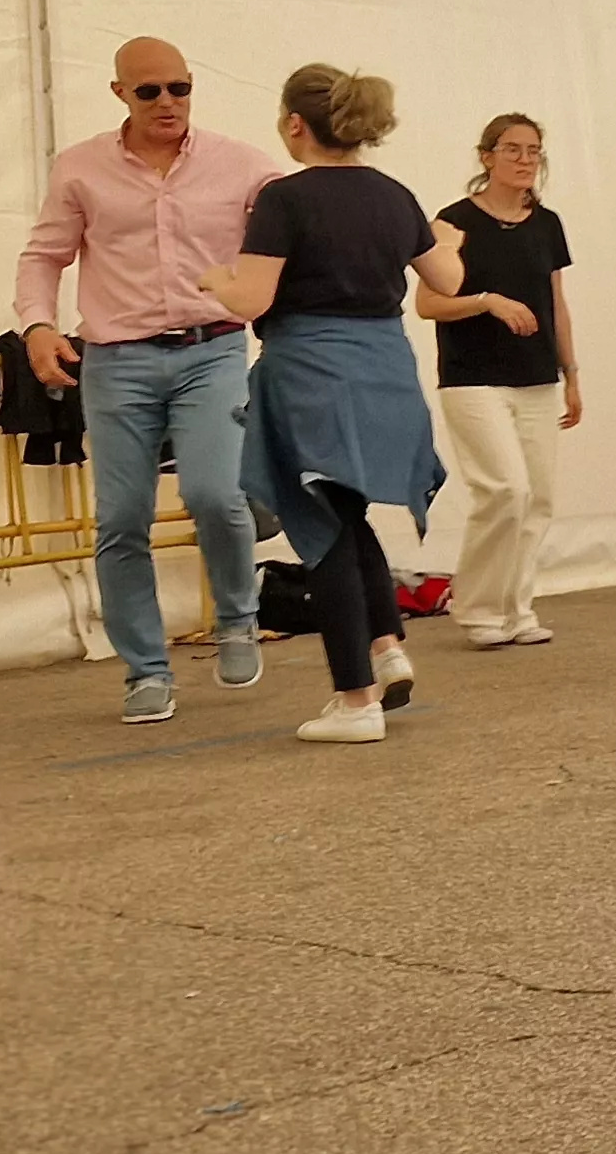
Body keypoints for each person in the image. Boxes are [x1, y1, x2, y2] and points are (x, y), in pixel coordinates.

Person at [12, 36, 282, 725]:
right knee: (121, 517)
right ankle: (146, 671)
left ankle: (237, 618)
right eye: (149, 91)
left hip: (212, 349)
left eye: (179, 88)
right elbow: (44, 255)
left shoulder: (244, 164)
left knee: (215, 493)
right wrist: (38, 326)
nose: (167, 102)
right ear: (120, 94)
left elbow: (292, 237)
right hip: (117, 359)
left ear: (192, 86)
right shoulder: (80, 168)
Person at [197, 65, 462, 747]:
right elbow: (447, 278)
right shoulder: (394, 195)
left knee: (321, 529)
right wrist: (449, 242)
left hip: (313, 374)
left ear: (295, 125)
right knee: (344, 512)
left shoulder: (285, 200)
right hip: (386, 372)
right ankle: (385, 647)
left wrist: (217, 280)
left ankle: (356, 700)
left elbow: (252, 298)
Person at [415, 114, 578, 648]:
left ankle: (517, 610)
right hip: (473, 378)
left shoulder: (547, 224)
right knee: (505, 489)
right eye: (512, 149)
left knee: (538, 499)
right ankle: (478, 608)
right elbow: (427, 303)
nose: (525, 159)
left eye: (533, 150)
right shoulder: (454, 222)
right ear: (487, 157)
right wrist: (487, 302)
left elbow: (556, 302)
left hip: (536, 376)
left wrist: (571, 373)